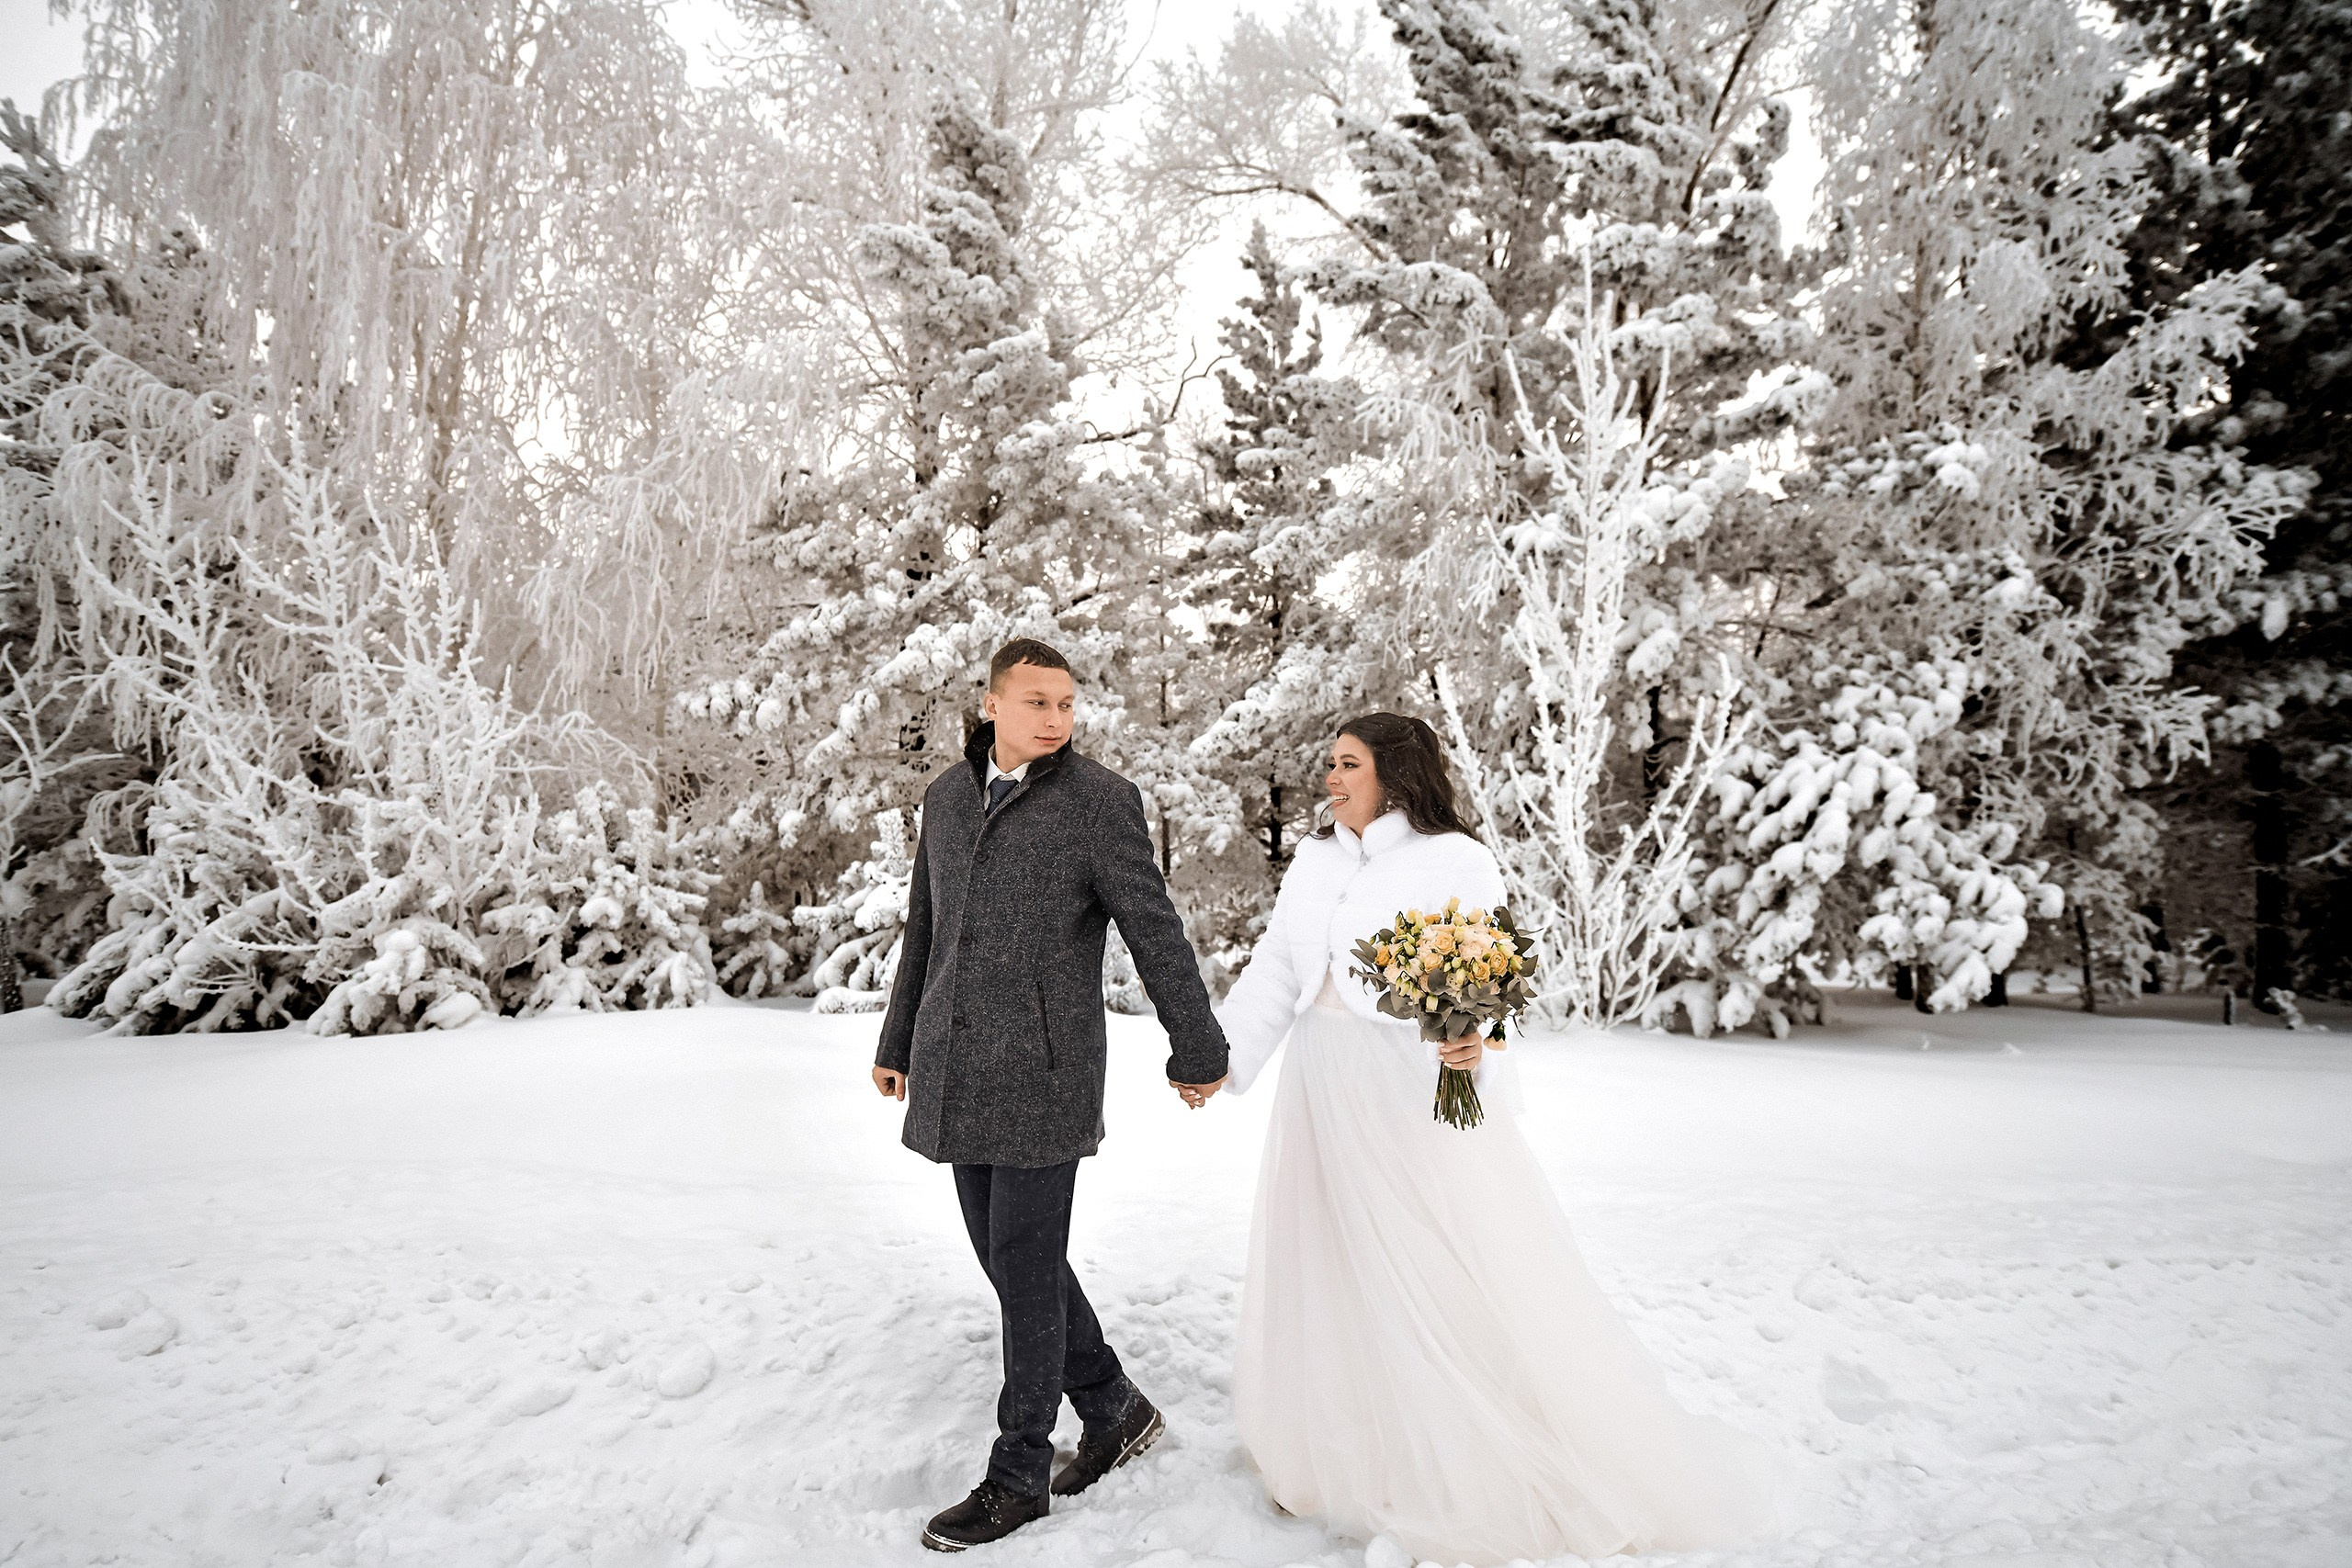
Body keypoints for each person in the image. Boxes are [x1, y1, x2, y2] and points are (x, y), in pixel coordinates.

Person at [1213, 712, 1779, 1564]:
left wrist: (1480, 1042)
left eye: (1348, 765)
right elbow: (1279, 969)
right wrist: (1219, 1059)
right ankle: (1339, 1448)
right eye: (1329, 764)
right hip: (1318, 1081)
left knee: (1428, 1258)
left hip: (1404, 1085)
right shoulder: (1315, 859)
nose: (1332, 779)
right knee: (1326, 1253)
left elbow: (1489, 987)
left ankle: (1466, 1456)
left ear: (1395, 776)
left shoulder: (1456, 861)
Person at [872, 637, 1231, 1553]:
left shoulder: (1099, 804)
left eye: (1067, 704)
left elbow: (1157, 932)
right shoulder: (948, 799)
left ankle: (1018, 1473)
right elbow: (926, 930)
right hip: (954, 1065)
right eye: (1037, 703)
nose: (1056, 720)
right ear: (992, 704)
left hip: (1043, 1070)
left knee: (1026, 1271)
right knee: (1006, 1259)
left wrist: (1196, 1044)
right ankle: (1112, 1407)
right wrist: (896, 1039)